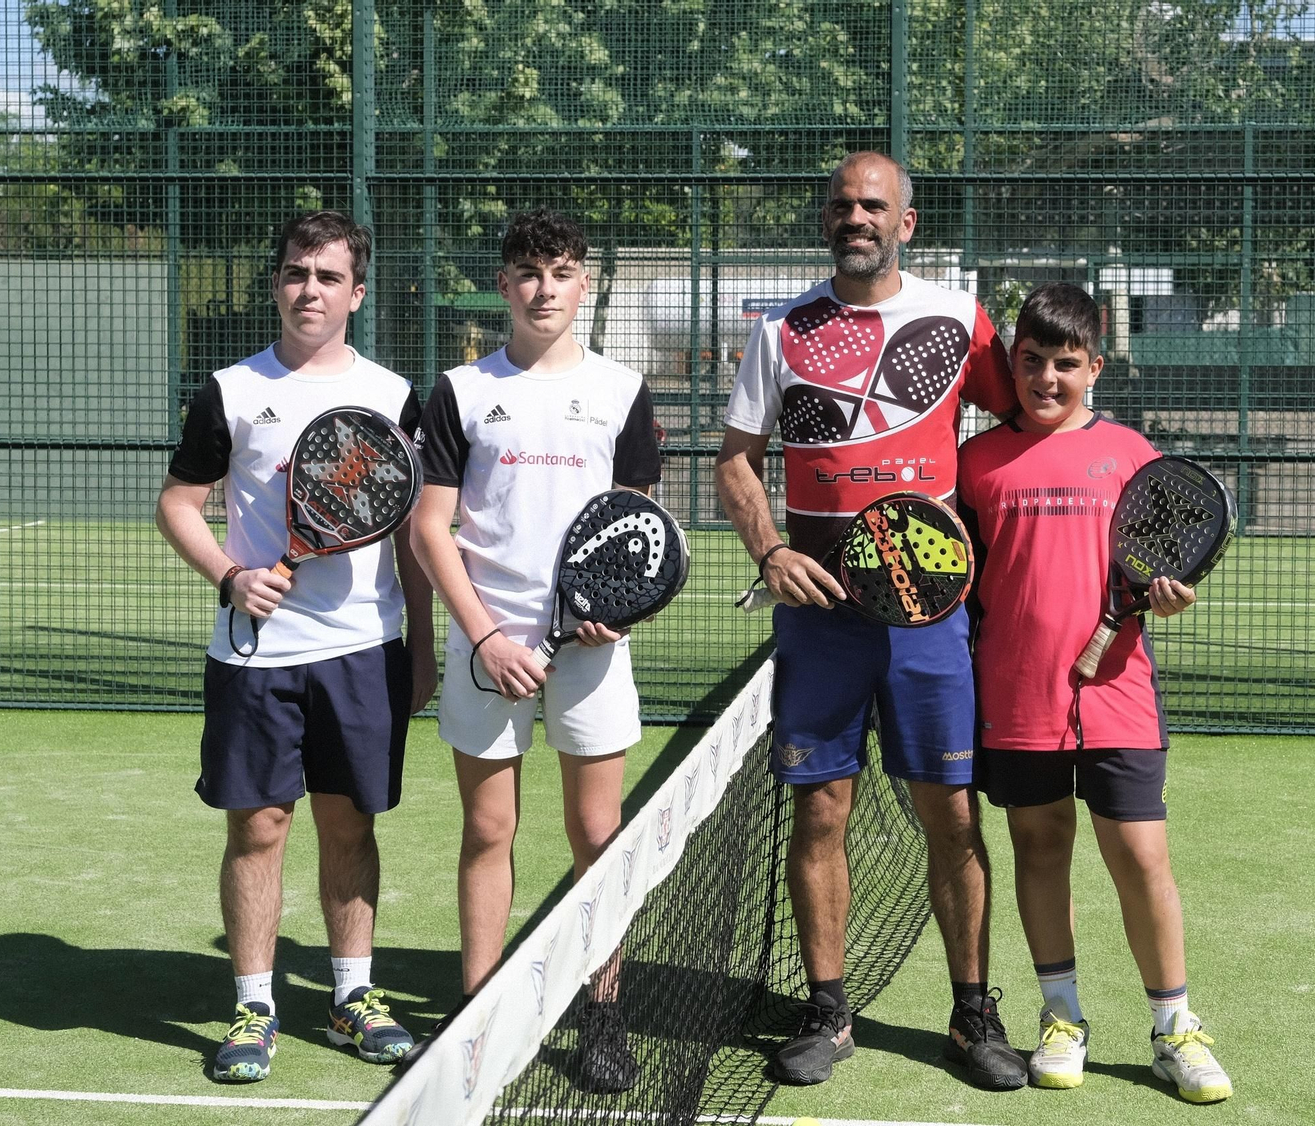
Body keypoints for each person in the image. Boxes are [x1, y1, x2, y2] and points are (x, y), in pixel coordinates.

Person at [713, 152, 1025, 1090]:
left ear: (907, 223)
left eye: (874, 206)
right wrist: (770, 552)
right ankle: (829, 1010)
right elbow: (737, 462)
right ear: (826, 221)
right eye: (844, 205)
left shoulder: (960, 321)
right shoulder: (779, 330)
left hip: (931, 615)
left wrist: (990, 541)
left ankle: (974, 1015)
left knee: (953, 813)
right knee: (821, 808)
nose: (857, 217)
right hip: (822, 615)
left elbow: (1017, 426)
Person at [156, 210, 438, 1082]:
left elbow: (411, 534)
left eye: (325, 276)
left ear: (357, 292)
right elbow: (177, 502)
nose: (306, 290)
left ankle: (353, 996)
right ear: (275, 284)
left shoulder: (393, 397)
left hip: (363, 648)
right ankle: (254, 1006)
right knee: (259, 827)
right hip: (254, 654)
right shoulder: (230, 390)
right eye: (293, 273)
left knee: (348, 822)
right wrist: (230, 575)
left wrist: (421, 645)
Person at [955, 281, 1231, 1102]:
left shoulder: (1133, 455)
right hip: (1015, 695)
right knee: (1040, 850)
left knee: (1142, 860)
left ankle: (1174, 1028)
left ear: (1095, 368)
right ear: (1013, 363)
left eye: (1065, 365)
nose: (1046, 379)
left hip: (1118, 697)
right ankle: (1062, 1015)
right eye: (1032, 362)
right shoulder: (978, 462)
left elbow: (1157, 571)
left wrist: (1167, 596)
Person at [408, 207, 662, 1093]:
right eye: (527, 273)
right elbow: (430, 529)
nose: (543, 289)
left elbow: (632, 530)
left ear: (583, 281)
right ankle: (478, 1018)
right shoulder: (461, 391)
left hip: (591, 652)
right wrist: (486, 636)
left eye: (560, 271)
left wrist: (611, 611)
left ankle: (603, 1010)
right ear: (504, 284)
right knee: (489, 830)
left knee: (598, 833)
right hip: (489, 647)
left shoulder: (623, 391)